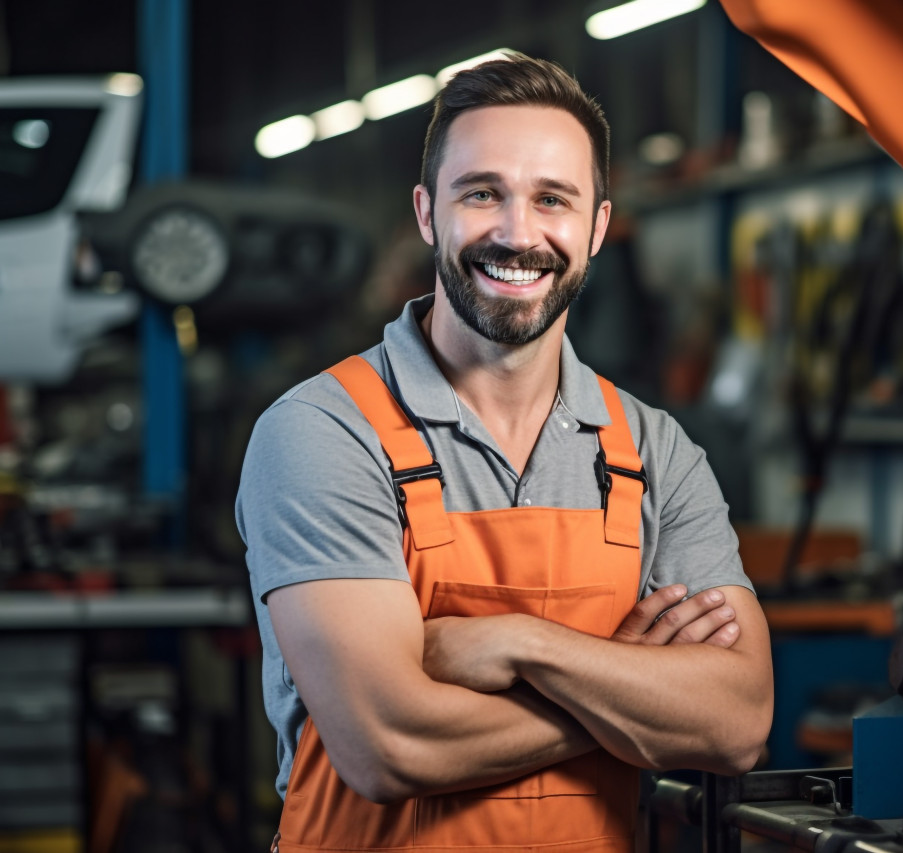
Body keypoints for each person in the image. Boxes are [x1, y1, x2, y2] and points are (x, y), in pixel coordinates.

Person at [237, 52, 773, 852]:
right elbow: (390, 745)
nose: (518, 234)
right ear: (427, 214)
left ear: (596, 227)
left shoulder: (653, 450)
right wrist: (623, 686)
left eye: (552, 199)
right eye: (482, 192)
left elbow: (735, 719)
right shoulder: (324, 430)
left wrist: (521, 642)